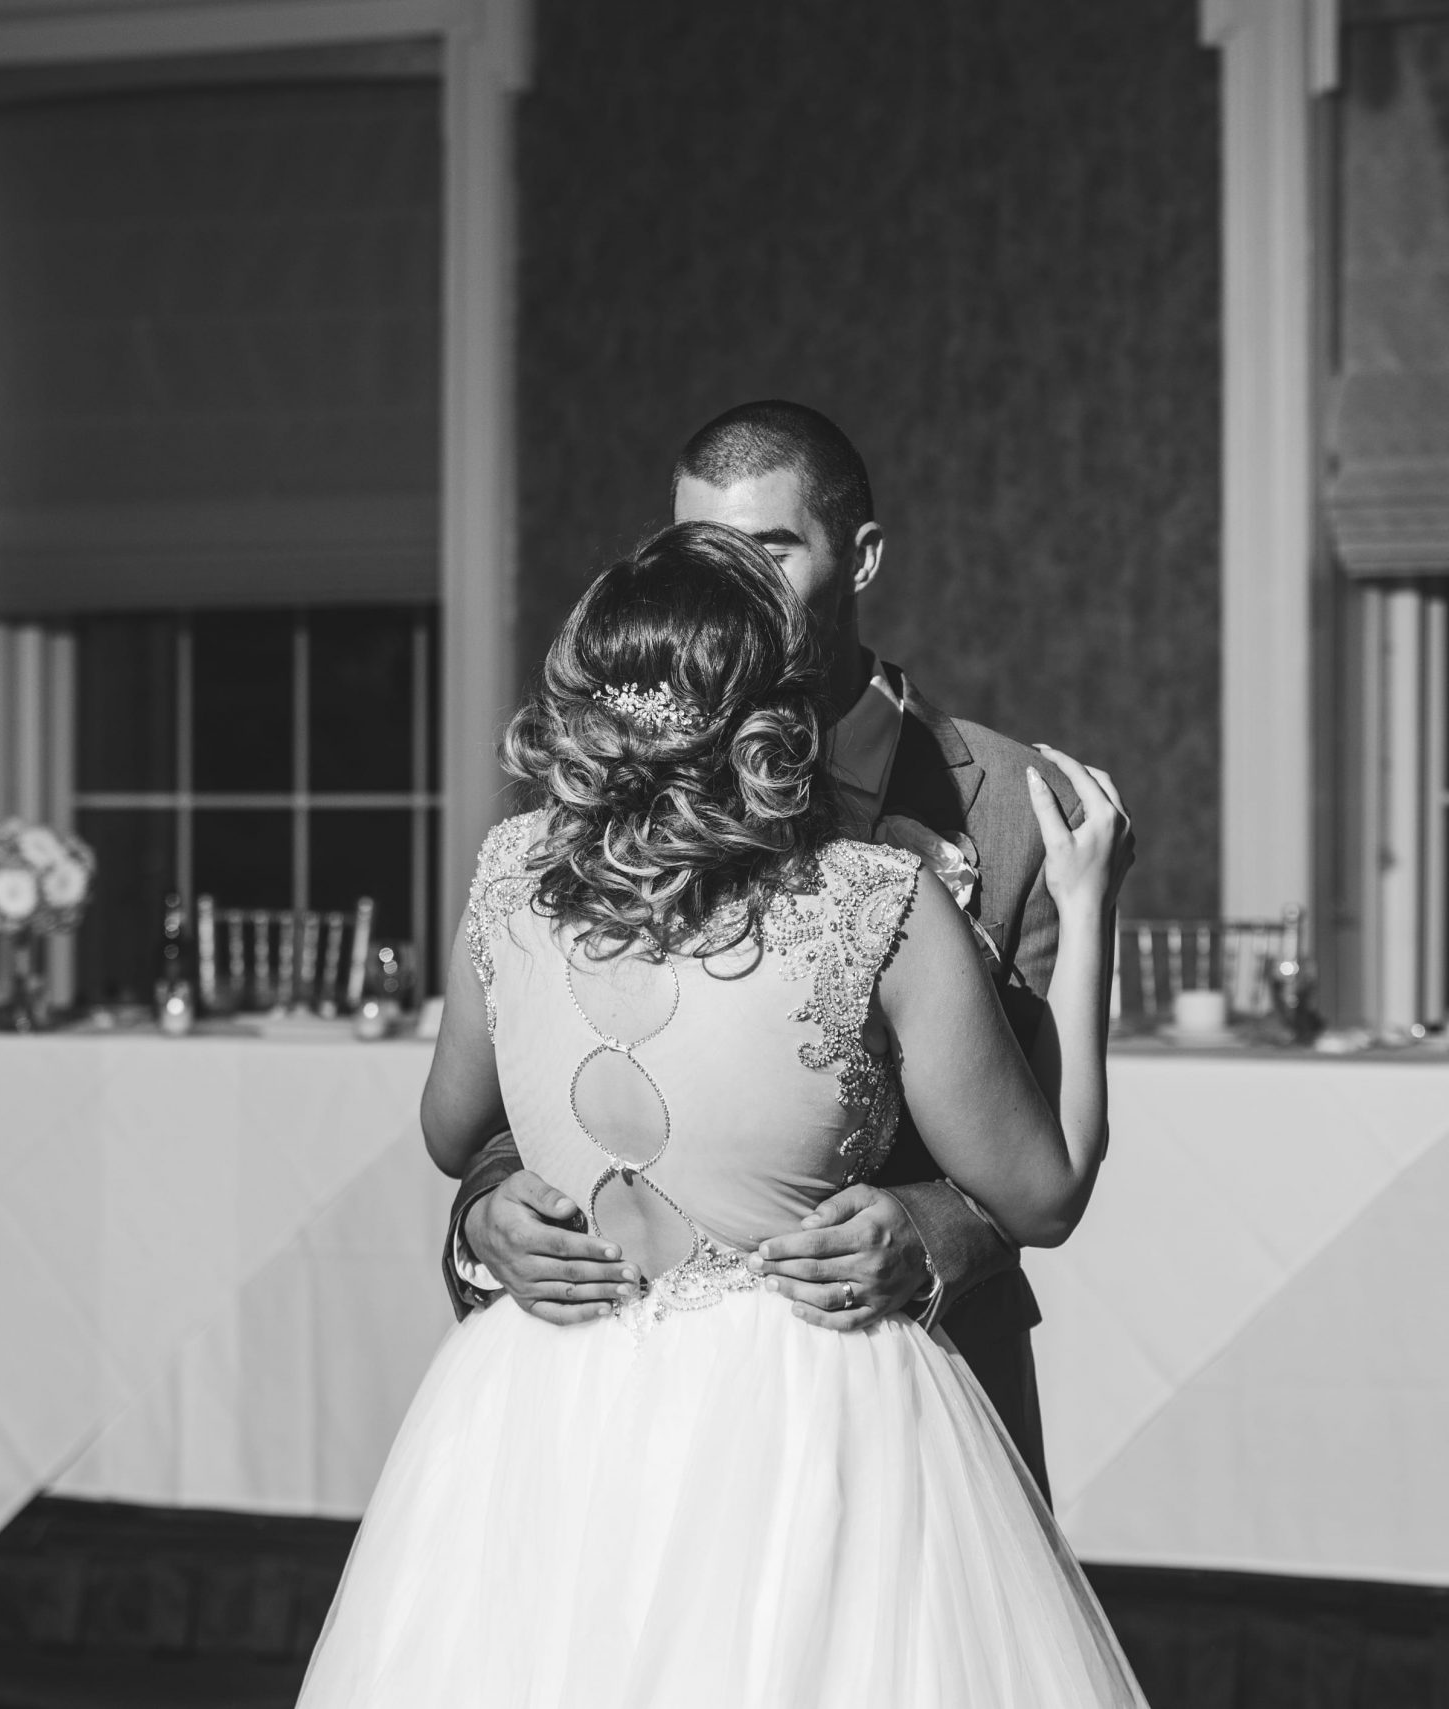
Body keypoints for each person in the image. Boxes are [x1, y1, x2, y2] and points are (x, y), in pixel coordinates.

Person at [296, 521, 1140, 1706]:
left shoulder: (508, 876)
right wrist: (1087, 902)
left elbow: (449, 1131)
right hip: (798, 1411)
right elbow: (1045, 1193)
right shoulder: (873, 898)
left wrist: (506, 1178)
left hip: (551, 1402)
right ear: (775, 710)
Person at [447, 401, 1071, 1491]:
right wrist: (491, 1212)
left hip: (901, 1403)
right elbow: (534, 1086)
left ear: (861, 556)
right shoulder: (568, 837)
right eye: (704, 552)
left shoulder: (1018, 808)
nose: (732, 585)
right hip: (617, 1395)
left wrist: (929, 1227)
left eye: (770, 547)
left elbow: (1042, 1152)